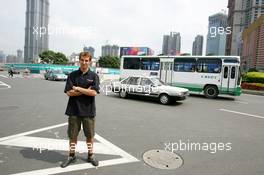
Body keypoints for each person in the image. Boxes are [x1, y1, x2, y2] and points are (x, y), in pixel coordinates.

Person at [61, 52, 100, 168]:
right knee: (72, 136)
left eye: (86, 60)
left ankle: (90, 155)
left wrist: (77, 88)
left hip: (89, 111)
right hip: (74, 111)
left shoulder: (94, 76)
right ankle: (71, 155)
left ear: (90, 62)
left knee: (90, 136)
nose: (84, 62)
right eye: (82, 60)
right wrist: (85, 90)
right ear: (79, 60)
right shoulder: (72, 75)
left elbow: (94, 92)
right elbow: (69, 92)